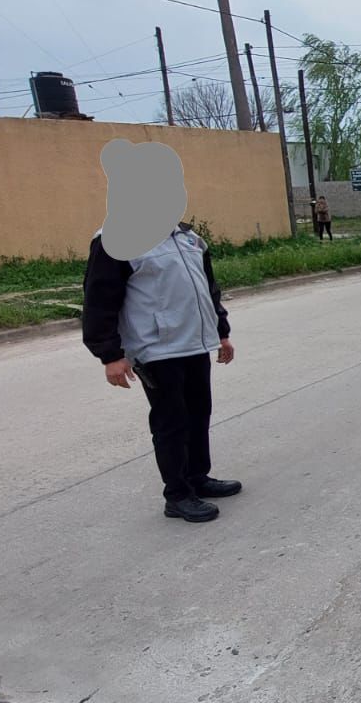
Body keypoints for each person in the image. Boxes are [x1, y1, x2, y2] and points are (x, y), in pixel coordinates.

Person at [83, 222, 242, 523]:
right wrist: (110, 354)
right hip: (154, 348)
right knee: (171, 421)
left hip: (194, 343)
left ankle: (197, 477)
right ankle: (178, 494)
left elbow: (209, 289)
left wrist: (221, 331)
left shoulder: (187, 236)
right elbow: (99, 296)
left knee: (199, 413)